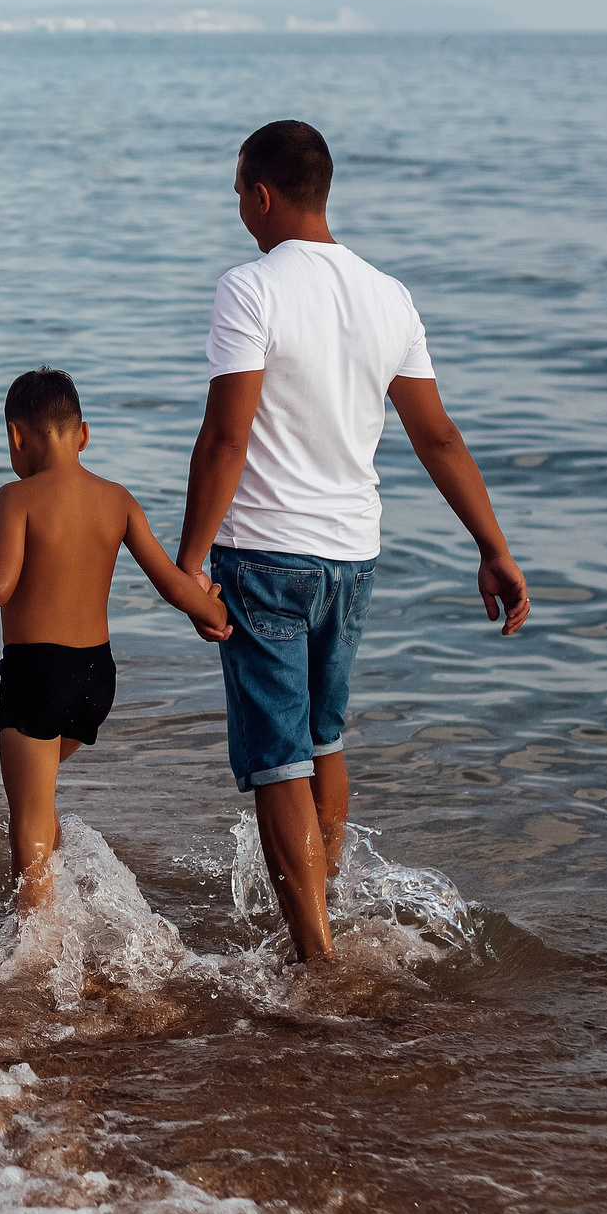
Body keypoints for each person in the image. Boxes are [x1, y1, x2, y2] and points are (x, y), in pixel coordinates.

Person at [175, 119, 530, 964]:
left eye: (238, 197)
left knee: (277, 763)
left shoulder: (250, 288)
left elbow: (226, 437)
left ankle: (317, 961)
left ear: (262, 195)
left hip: (263, 553)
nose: (239, 214)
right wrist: (494, 546)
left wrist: (187, 564)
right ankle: (324, 922)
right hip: (352, 559)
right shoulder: (388, 294)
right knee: (324, 740)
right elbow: (437, 436)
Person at [0, 367, 228, 910]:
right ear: (83, 434)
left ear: (17, 435)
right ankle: (63, 920)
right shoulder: (119, 499)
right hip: (97, 679)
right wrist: (215, 612)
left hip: (37, 674)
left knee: (29, 821)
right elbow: (173, 584)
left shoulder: (16, 497)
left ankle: (36, 953)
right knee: (39, 797)